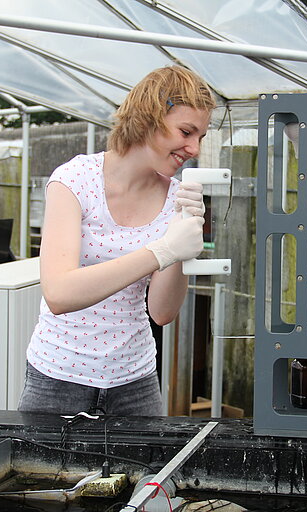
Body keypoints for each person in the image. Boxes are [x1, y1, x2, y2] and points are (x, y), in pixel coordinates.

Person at [18, 66, 215, 416]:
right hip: (58, 378)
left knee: (146, 473)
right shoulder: (74, 181)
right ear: (150, 115)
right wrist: (161, 250)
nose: (194, 148)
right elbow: (59, 293)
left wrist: (183, 241)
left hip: (135, 383)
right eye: (186, 132)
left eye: (200, 136)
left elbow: (162, 312)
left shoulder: (175, 198)